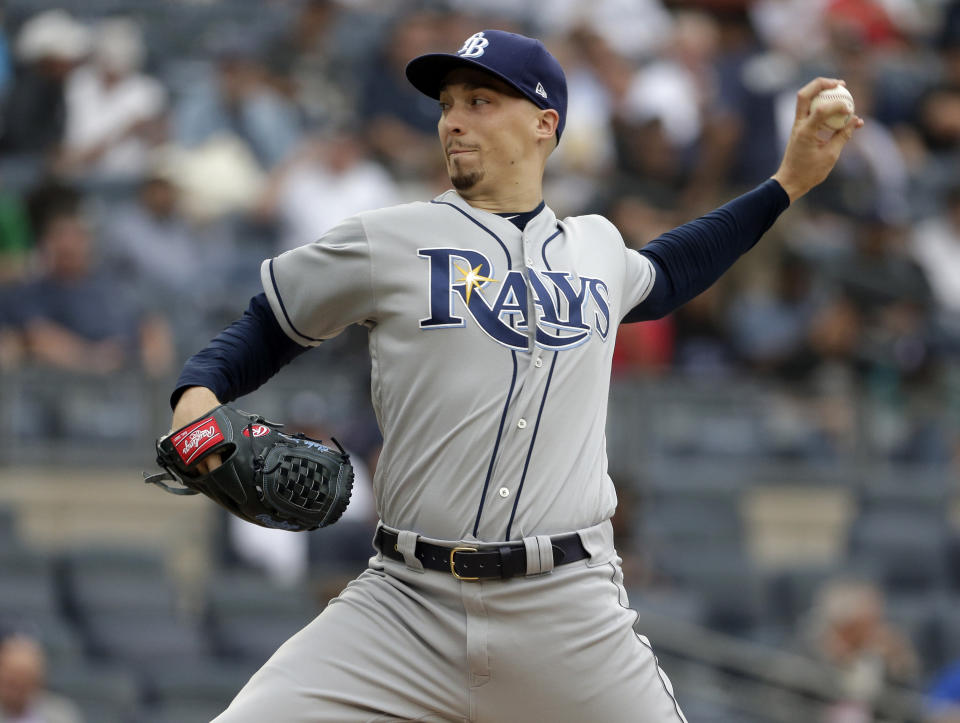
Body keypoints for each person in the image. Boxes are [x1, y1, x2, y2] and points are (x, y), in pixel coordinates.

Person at [168, 28, 861, 722]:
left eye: (480, 99)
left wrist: (787, 183)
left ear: (543, 123)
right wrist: (196, 394)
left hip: (568, 606)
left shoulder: (596, 246)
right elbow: (268, 326)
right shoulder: (388, 239)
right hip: (405, 604)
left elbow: (676, 267)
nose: (454, 119)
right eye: (447, 104)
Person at [0, 634, 82, 723]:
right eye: (11, 682)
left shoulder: (62, 715)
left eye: (24, 683)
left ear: (38, 683)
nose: (15, 692)